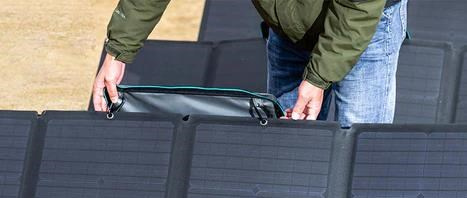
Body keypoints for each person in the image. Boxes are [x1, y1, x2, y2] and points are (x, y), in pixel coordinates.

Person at [91, 0, 408, 127]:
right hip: (288, 29)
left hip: (366, 27)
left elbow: (358, 9)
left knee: (360, 145)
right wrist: (118, 51)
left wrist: (318, 78)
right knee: (288, 141)